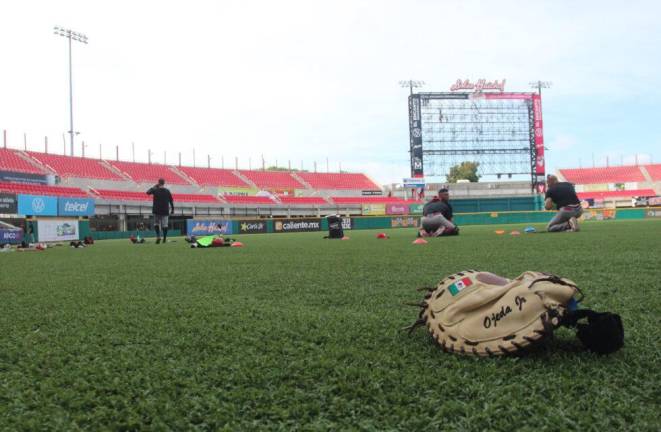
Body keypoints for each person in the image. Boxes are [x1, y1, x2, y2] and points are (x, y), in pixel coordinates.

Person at [147, 178, 174, 244]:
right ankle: (164, 239)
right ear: (164, 183)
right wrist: (172, 209)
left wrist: (155, 186)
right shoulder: (167, 191)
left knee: (156, 224)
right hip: (165, 210)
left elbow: (147, 192)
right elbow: (171, 201)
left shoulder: (155, 190)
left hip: (156, 210)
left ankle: (158, 236)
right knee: (165, 225)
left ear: (158, 183)